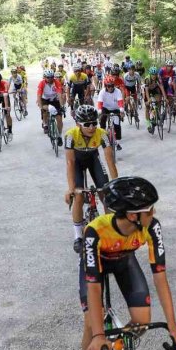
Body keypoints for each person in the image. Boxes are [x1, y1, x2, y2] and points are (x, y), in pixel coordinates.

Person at [81, 177, 176, 350]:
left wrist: (172, 324)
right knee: (93, 322)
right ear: (132, 215)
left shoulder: (152, 226)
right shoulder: (95, 231)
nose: (154, 212)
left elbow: (160, 277)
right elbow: (93, 285)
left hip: (124, 261)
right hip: (96, 267)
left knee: (142, 321)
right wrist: (99, 336)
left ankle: (119, 349)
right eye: (149, 209)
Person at [65, 105, 118, 253]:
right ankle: (78, 236)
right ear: (78, 124)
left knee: (106, 194)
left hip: (93, 159)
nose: (92, 127)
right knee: (79, 196)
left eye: (94, 123)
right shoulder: (70, 135)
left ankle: (111, 231)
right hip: (77, 162)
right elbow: (70, 163)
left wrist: (116, 184)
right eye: (87, 124)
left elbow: (109, 160)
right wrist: (71, 188)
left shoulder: (102, 134)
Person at [96, 75, 125, 151]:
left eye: (112, 86)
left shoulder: (117, 91)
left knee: (117, 124)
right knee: (102, 120)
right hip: (105, 108)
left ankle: (117, 142)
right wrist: (100, 112)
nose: (110, 88)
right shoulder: (102, 92)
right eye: (108, 86)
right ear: (105, 86)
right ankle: (103, 137)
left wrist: (121, 111)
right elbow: (99, 103)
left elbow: (120, 102)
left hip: (115, 109)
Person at [37, 69, 64, 143]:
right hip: (45, 99)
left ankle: (59, 135)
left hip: (54, 100)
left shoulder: (57, 82)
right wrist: (40, 107)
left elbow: (59, 94)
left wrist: (62, 106)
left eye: (51, 77)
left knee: (59, 118)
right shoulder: (42, 83)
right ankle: (45, 124)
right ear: (44, 77)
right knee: (45, 111)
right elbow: (39, 96)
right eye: (48, 77)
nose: (50, 79)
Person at [143, 67, 165, 132]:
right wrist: (149, 100)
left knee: (159, 100)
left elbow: (161, 88)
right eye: (152, 74)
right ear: (150, 74)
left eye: (155, 74)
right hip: (148, 91)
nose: (154, 76)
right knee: (147, 107)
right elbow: (146, 90)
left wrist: (165, 97)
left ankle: (158, 114)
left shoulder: (158, 78)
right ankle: (148, 124)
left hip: (155, 90)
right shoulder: (147, 79)